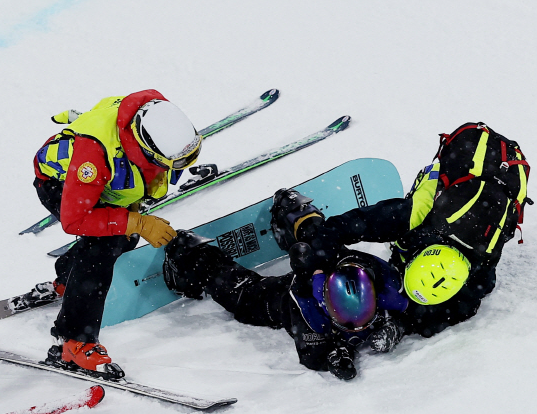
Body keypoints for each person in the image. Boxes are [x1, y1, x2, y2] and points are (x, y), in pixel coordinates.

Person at [290, 122, 531, 338]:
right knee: (388, 224)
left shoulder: (481, 265)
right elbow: (352, 225)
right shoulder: (413, 215)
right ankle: (301, 217)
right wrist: (317, 255)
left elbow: (458, 309)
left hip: (488, 207)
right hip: (447, 187)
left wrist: (402, 325)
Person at [33, 91, 202, 378]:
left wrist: (133, 218)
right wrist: (137, 221)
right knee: (104, 244)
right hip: (63, 184)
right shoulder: (92, 156)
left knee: (123, 236)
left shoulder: (154, 113)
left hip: (104, 181)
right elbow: (76, 220)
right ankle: (74, 341)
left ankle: (68, 279)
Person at [163, 192, 409, 381]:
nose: (356, 329)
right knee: (246, 296)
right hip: (299, 290)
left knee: (324, 241)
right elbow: (313, 354)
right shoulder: (307, 307)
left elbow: (409, 309)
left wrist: (394, 324)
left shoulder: (387, 286)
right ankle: (201, 263)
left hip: (337, 266)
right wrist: (336, 352)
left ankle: (302, 223)